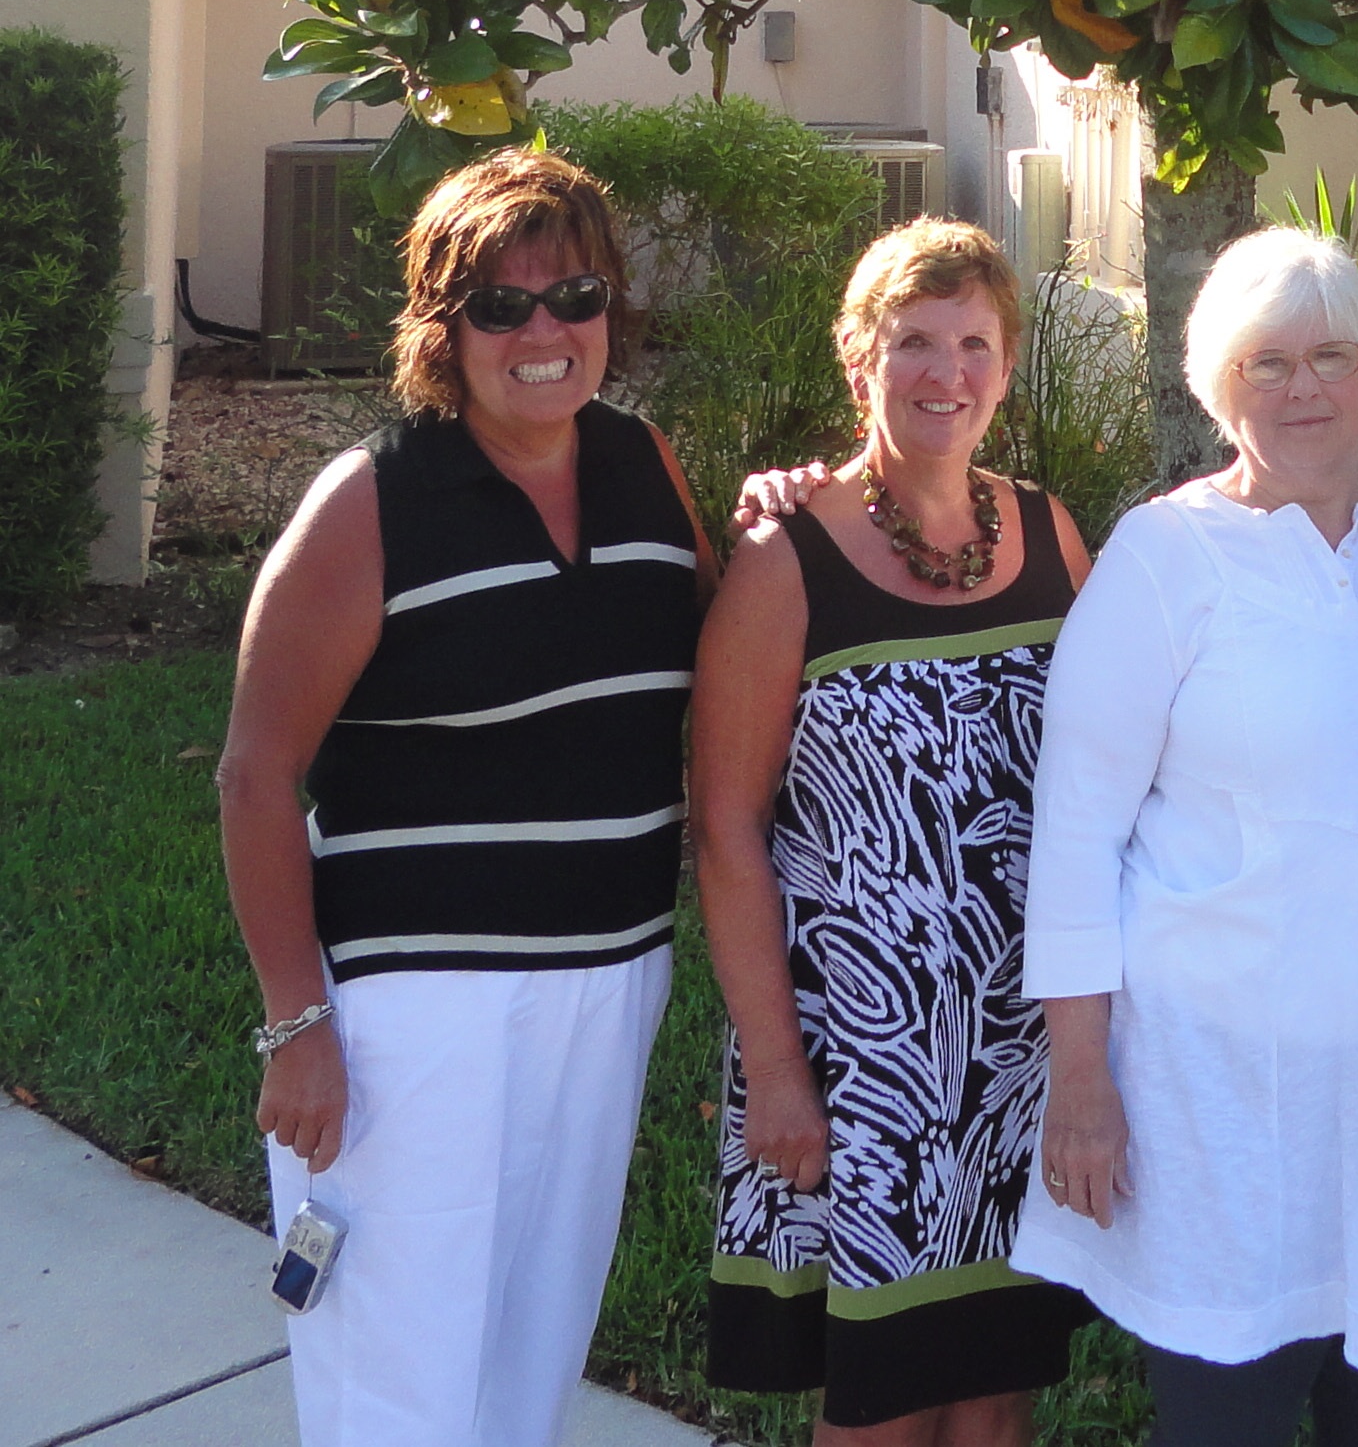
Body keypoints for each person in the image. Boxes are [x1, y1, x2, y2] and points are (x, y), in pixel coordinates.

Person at [218, 148, 714, 1447]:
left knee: (529, 1352)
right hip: (413, 1011)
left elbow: (722, 656)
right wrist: (296, 1022)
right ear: (444, 328)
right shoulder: (371, 501)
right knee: (399, 1371)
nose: (544, 334)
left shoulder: (645, 465)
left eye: (575, 297)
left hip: (608, 980)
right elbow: (255, 774)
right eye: (501, 305)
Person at [1011, 227, 1358, 1447]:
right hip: (1219, 1098)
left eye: (1330, 357)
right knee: (1222, 1416)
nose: (1302, 390)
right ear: (1215, 384)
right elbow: (1074, 837)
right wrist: (1080, 1079)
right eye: (1265, 363)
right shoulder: (1161, 556)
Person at [692, 218, 1097, 1445]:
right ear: (858, 357)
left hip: (1024, 1050)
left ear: (1006, 367)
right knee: (881, 1404)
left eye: (974, 344)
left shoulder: (1049, 531)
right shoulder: (786, 558)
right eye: (915, 341)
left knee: (997, 1393)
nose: (946, 373)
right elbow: (726, 829)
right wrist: (776, 1071)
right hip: (864, 1063)